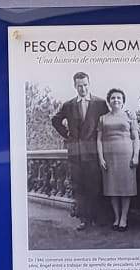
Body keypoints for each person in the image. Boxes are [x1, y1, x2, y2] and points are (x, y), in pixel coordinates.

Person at [50, 72, 107, 231]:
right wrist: (67, 134)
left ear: (89, 84)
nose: (83, 88)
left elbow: (107, 124)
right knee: (79, 186)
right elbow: (55, 120)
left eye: (85, 85)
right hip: (75, 152)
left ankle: (97, 218)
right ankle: (84, 220)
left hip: (94, 152)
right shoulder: (68, 105)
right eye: (79, 86)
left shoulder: (100, 103)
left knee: (95, 185)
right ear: (75, 86)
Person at [95, 89, 139, 232]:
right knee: (112, 188)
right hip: (109, 156)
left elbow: (135, 137)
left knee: (126, 188)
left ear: (123, 101)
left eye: (119, 98)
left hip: (126, 154)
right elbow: (99, 139)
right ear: (109, 101)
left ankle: (124, 218)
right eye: (113, 98)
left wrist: (136, 155)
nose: (116, 100)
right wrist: (101, 157)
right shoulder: (103, 118)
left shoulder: (130, 117)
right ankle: (116, 217)